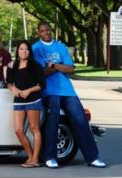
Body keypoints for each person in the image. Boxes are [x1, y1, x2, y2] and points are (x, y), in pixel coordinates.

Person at [32, 21, 107, 168]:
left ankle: (92, 157)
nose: (46, 33)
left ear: (51, 30)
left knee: (80, 120)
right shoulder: (36, 49)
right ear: (38, 33)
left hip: (67, 90)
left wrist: (53, 65)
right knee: (53, 119)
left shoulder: (60, 46)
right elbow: (41, 73)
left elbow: (71, 69)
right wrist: (60, 66)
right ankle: (50, 157)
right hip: (49, 91)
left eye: (48, 30)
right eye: (42, 31)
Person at [6, 40, 45, 168]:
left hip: (33, 100)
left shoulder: (35, 65)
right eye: (21, 49)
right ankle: (30, 156)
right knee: (18, 130)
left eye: (26, 49)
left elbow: (42, 85)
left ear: (30, 51)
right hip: (19, 100)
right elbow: (9, 82)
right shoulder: (13, 65)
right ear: (17, 50)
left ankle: (35, 160)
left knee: (34, 128)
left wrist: (29, 90)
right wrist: (14, 89)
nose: (24, 52)